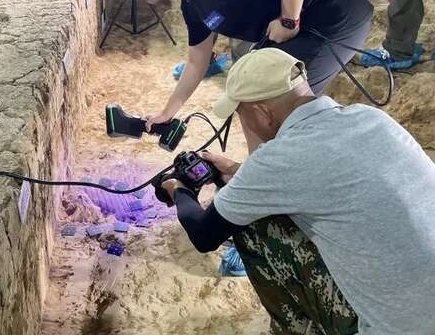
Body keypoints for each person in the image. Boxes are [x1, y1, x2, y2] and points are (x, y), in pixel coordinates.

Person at [158, 48, 435, 334]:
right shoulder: (371, 118)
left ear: (262, 113)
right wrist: (239, 169)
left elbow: (204, 235)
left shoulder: (279, 157)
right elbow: (323, 176)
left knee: (253, 224)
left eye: (241, 115)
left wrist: (178, 188)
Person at [112, 0, 373, 151]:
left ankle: (277, 181)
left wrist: (288, 20)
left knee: (277, 108)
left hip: (334, 17)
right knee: (250, 98)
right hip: (308, 26)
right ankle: (258, 175)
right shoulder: (192, 1)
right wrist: (167, 113)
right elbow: (197, 61)